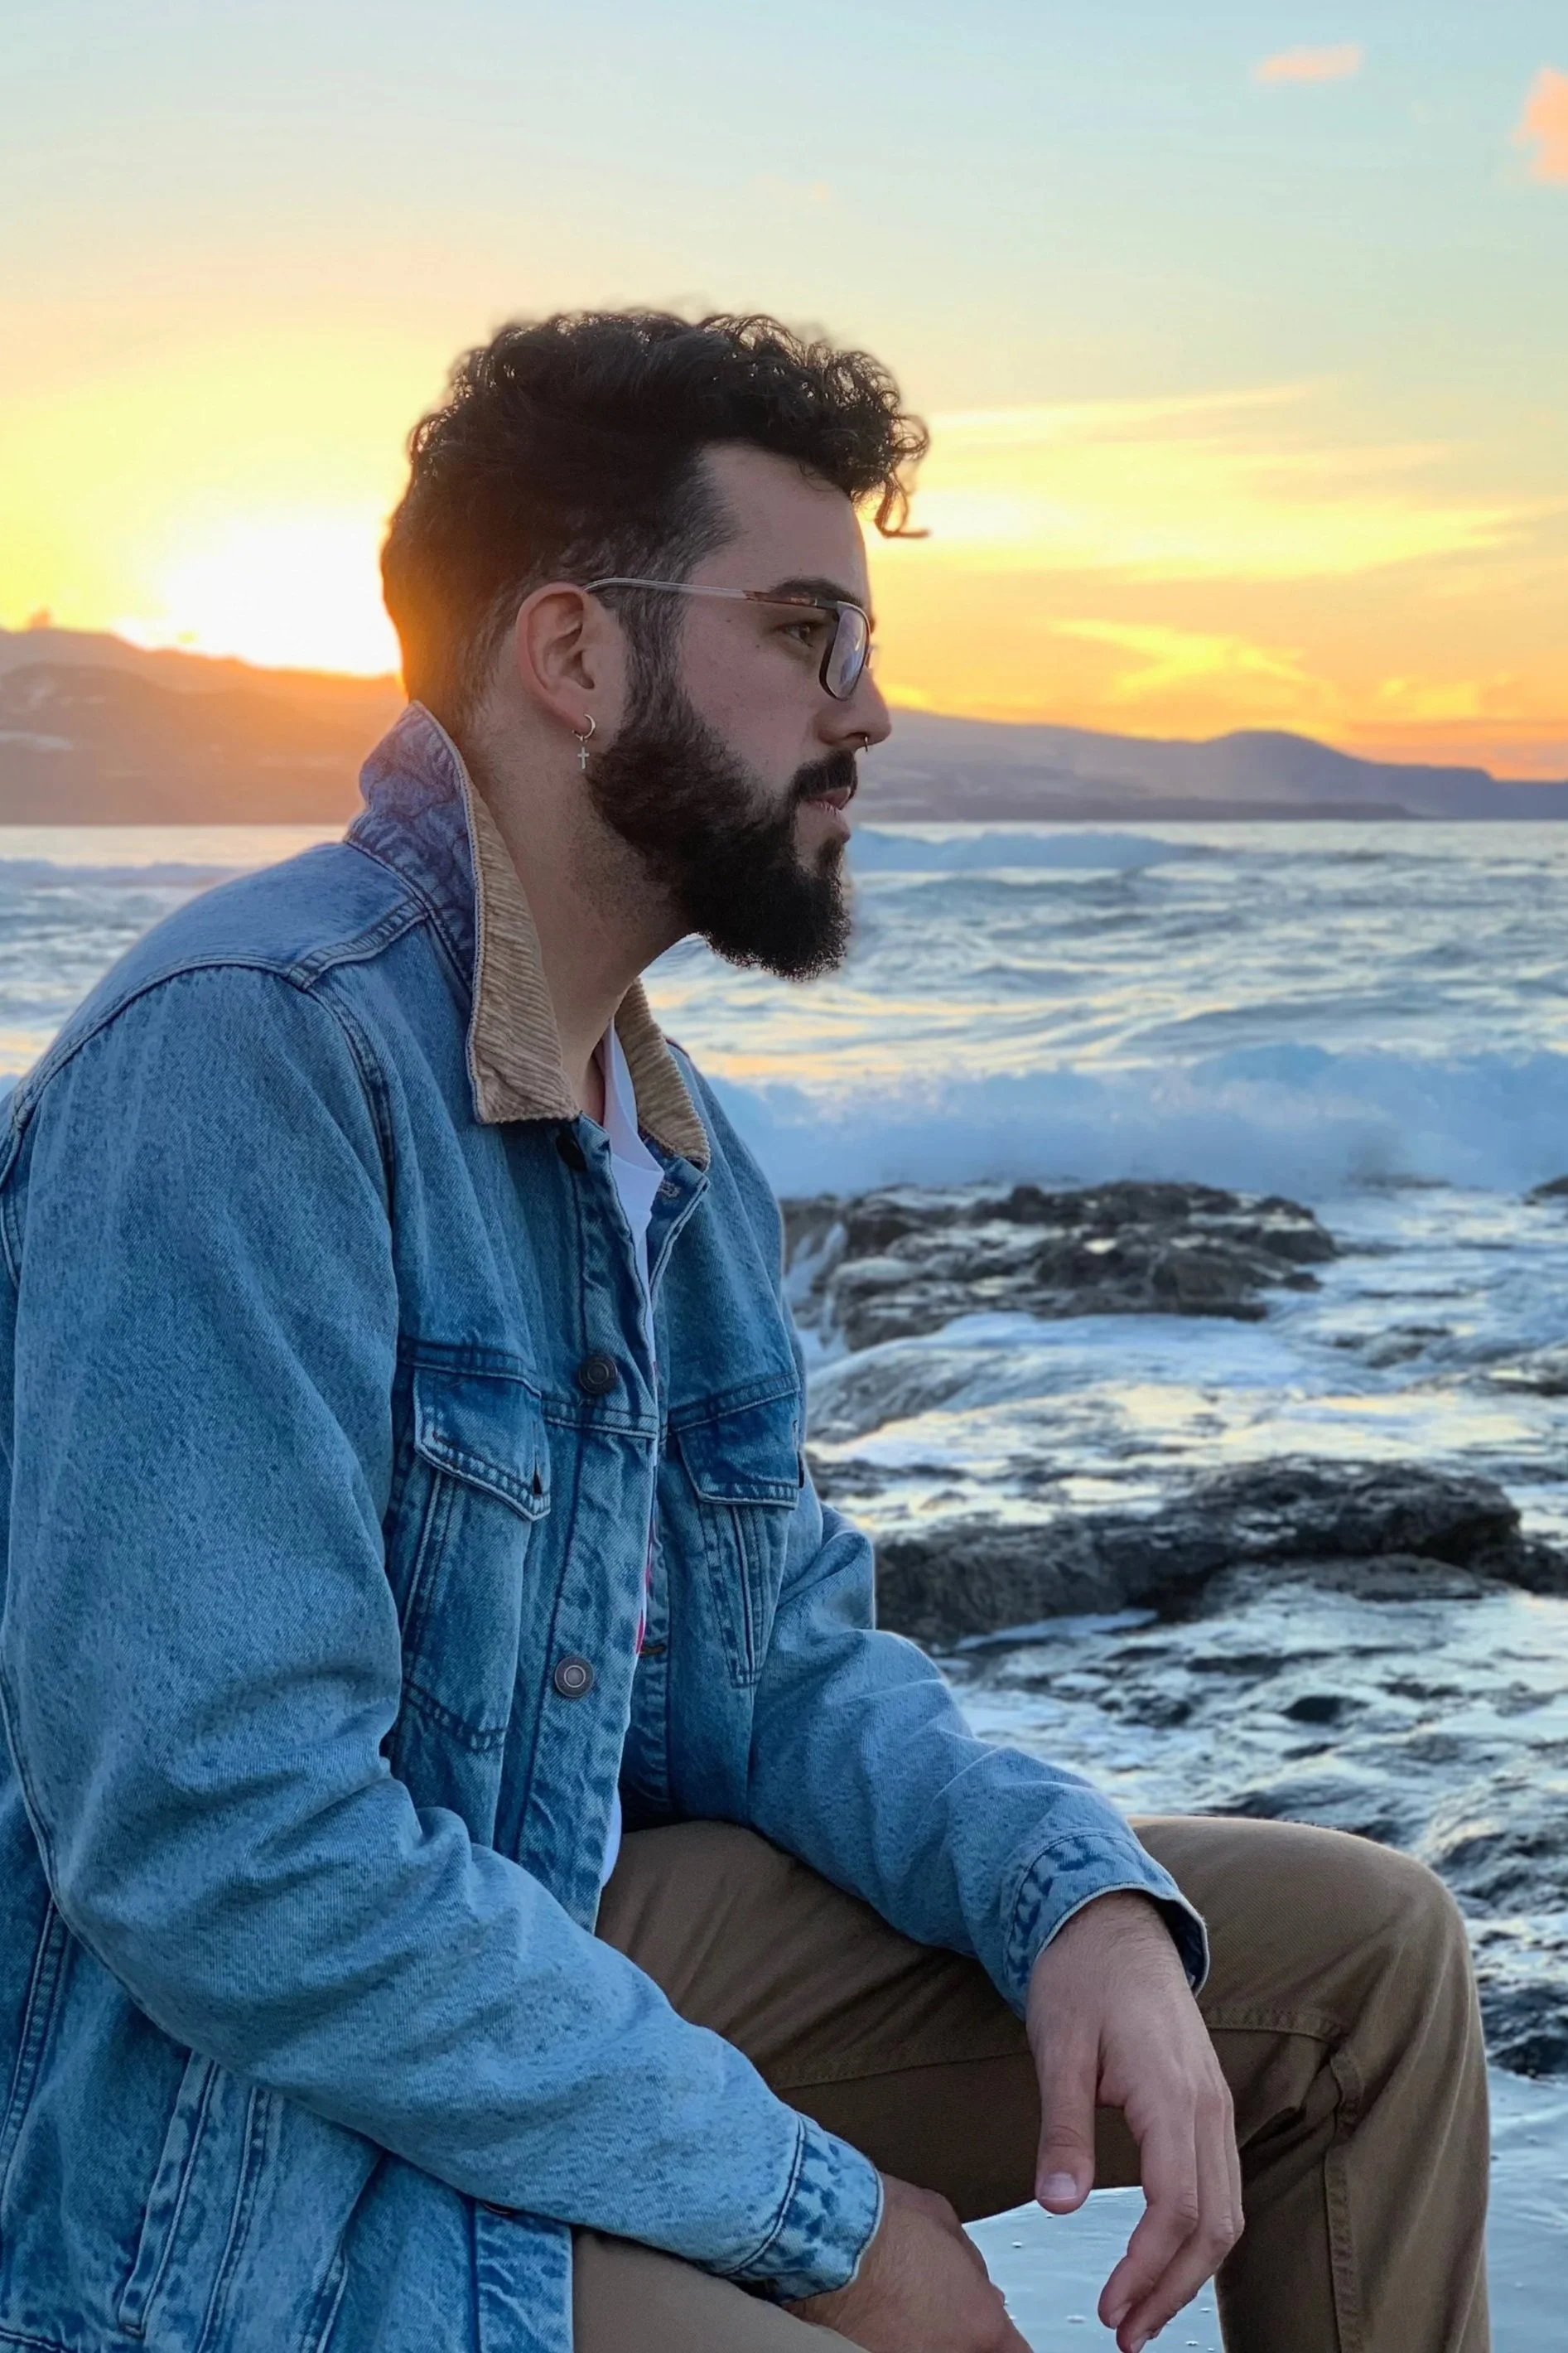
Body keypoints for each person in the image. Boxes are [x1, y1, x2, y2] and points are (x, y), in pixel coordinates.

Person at [0, 312, 1488, 2353]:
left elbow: (770, 1669)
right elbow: (221, 1846)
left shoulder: (665, 1148)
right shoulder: (245, 1063)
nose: (867, 715)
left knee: (1363, 1962)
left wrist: (1071, 1891)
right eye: (808, 635)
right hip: (229, 2148)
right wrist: (826, 2222)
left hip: (528, 1943)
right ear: (576, 656)